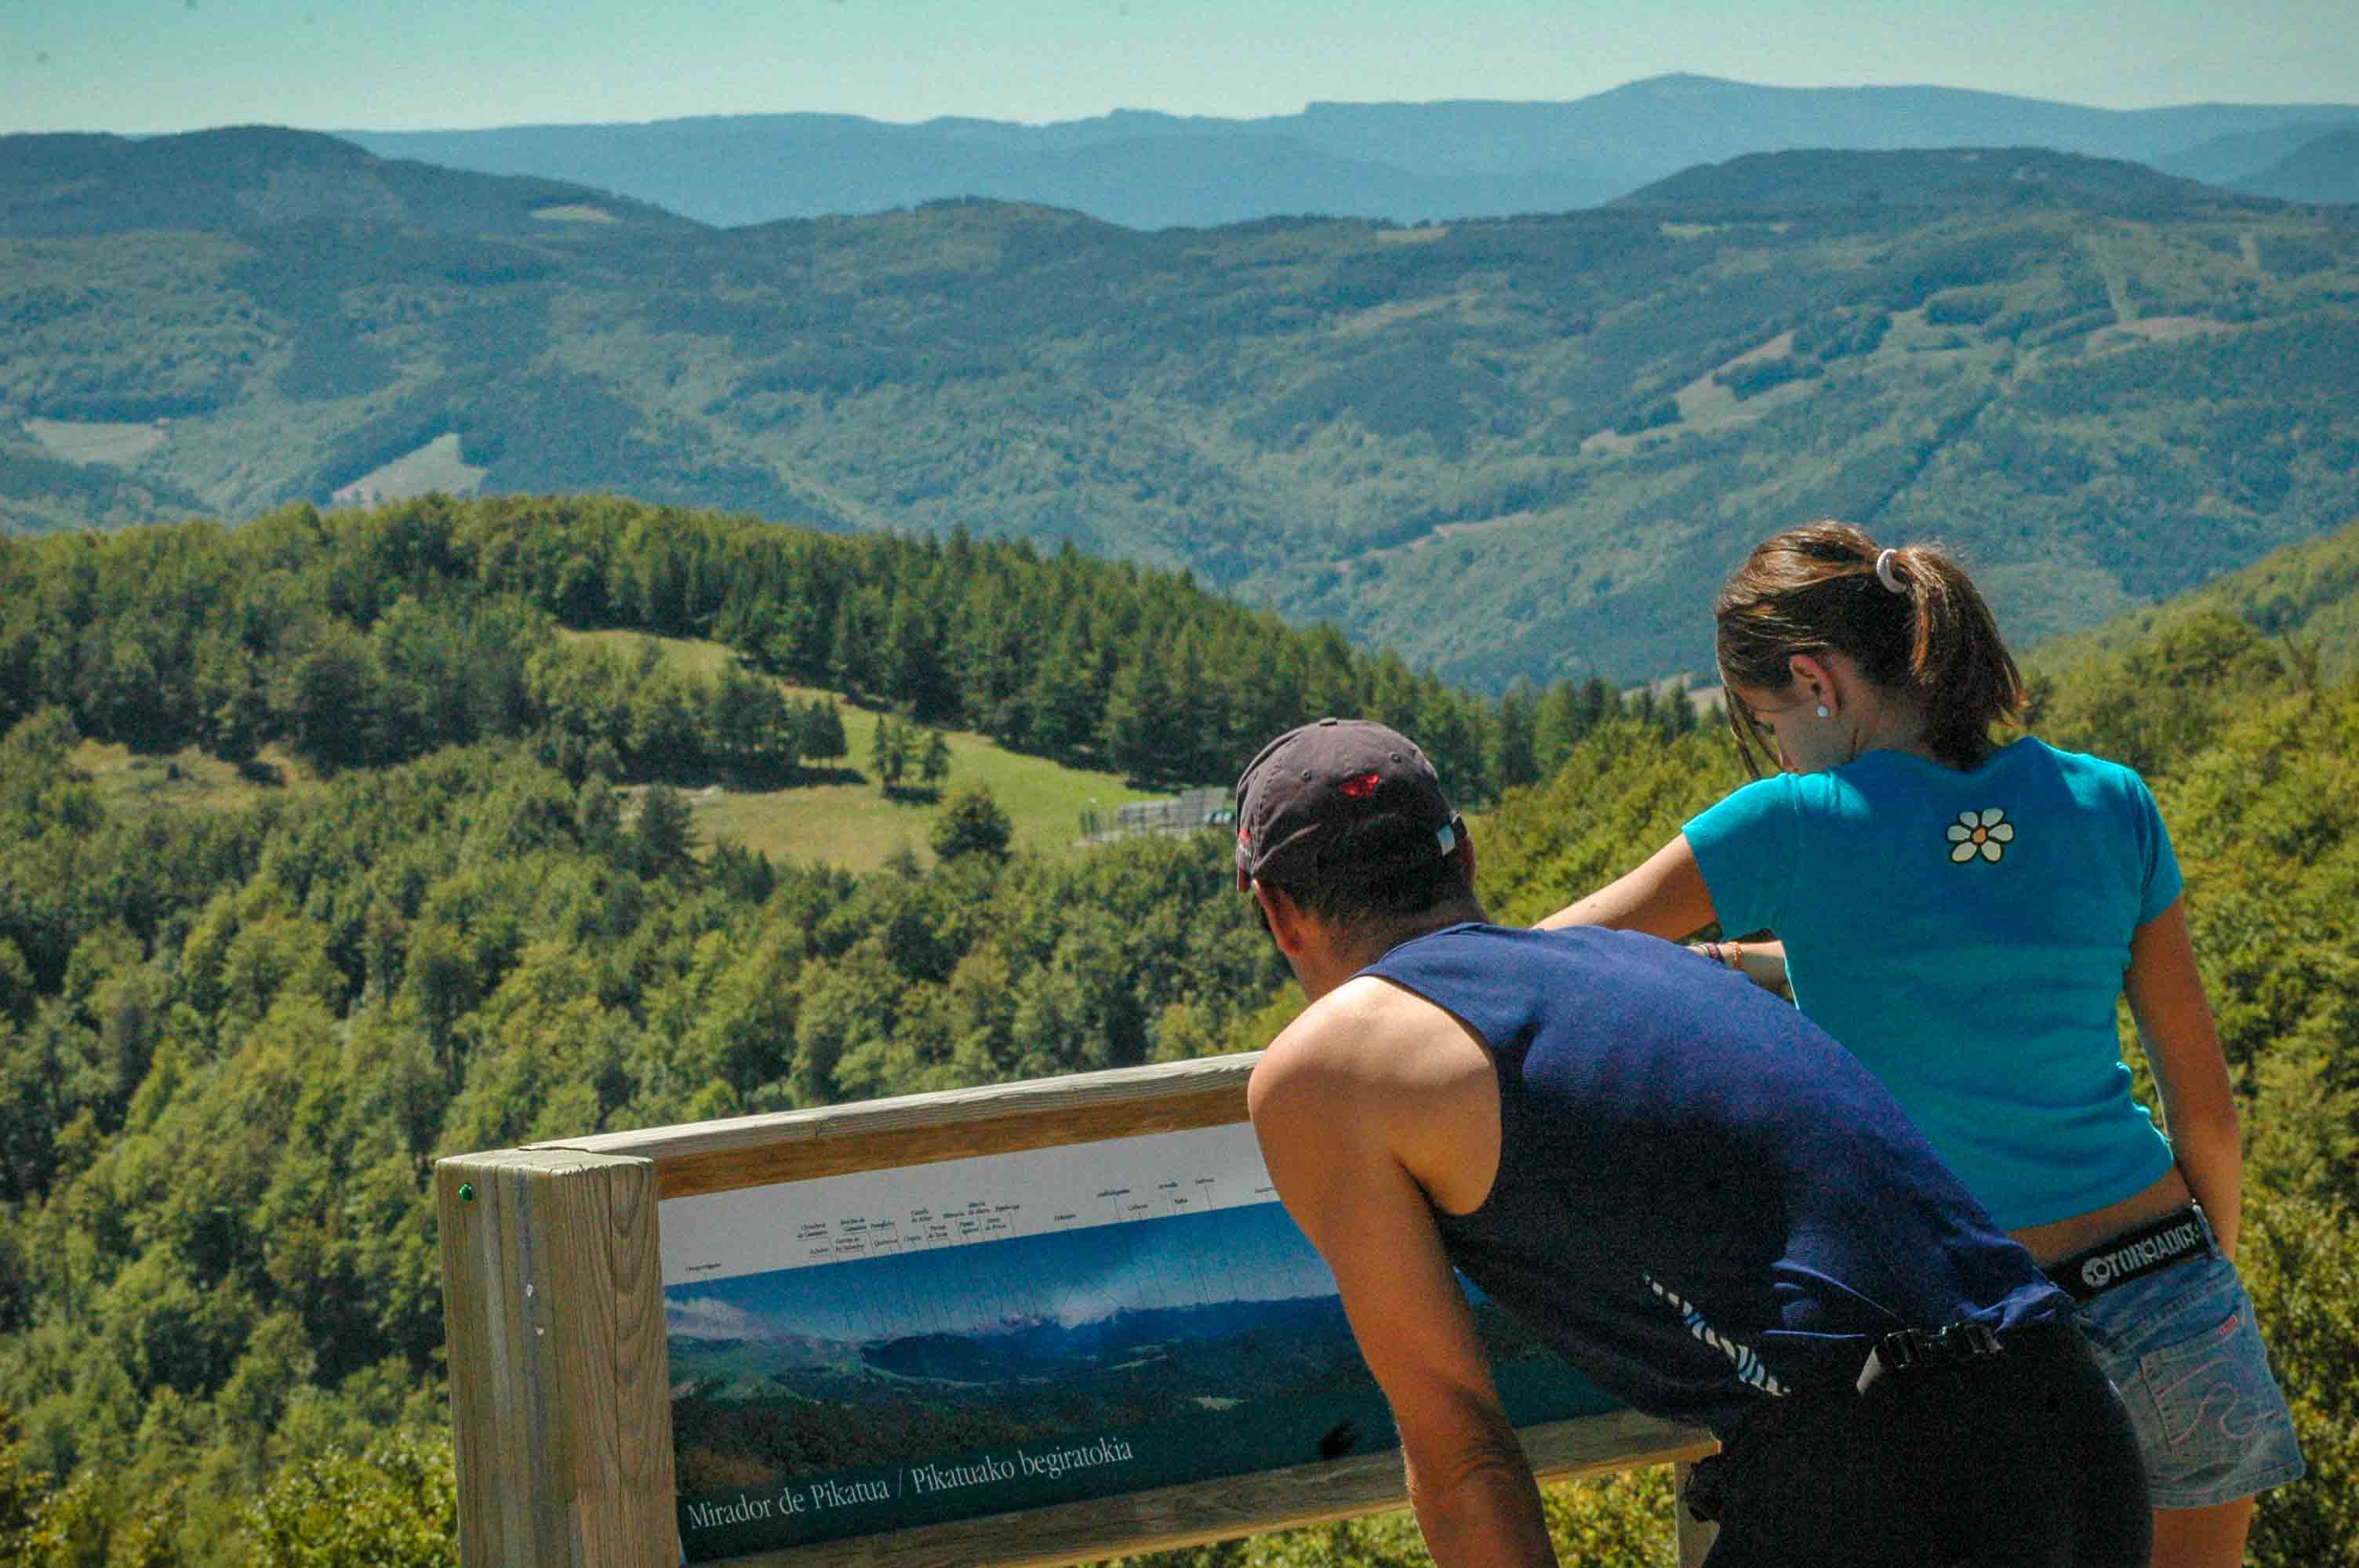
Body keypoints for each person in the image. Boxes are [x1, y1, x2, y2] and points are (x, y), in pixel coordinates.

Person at [1539, 522, 2303, 1568]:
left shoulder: (1789, 823)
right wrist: (2194, 1279)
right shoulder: (2110, 800)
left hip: (1979, 1341)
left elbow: (1528, 969)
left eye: (1767, 722)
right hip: (2172, 1287)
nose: (1778, 752)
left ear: (1816, 681)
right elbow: (2204, 1111)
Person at [1239, 717, 2150, 1568]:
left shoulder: (1326, 1065)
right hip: (2072, 1422)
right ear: (1464, 853)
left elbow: (1463, 1456)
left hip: (1881, 1468)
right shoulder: (1640, 959)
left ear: (1279, 913)